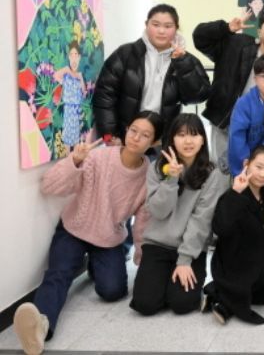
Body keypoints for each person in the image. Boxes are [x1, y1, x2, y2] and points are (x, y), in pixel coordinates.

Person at [13, 112, 163, 355]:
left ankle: (95, 264)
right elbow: (49, 186)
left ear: (154, 142)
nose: (136, 138)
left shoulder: (149, 177)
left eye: (145, 135)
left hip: (108, 238)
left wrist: (141, 255)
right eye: (134, 130)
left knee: (113, 291)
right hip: (74, 228)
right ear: (126, 129)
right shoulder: (98, 156)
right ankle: (41, 327)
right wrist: (74, 161)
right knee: (58, 274)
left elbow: (143, 222)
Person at [130, 113, 226, 316]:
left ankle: (177, 284)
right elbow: (158, 211)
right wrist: (171, 179)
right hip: (157, 244)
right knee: (145, 304)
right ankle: (161, 282)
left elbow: (201, 220)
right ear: (172, 139)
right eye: (181, 135)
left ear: (203, 139)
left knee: (182, 304)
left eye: (194, 134)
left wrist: (184, 260)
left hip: (191, 249)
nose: (188, 141)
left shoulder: (212, 173)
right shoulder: (157, 168)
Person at [192, 8, 264, 174]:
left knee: (254, 176)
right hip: (226, 122)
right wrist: (226, 28)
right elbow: (199, 38)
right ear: (259, 31)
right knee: (223, 174)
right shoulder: (238, 45)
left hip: (261, 133)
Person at [93, 4, 210, 144]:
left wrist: (182, 63)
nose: (161, 31)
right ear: (146, 25)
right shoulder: (125, 54)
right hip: (127, 138)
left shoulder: (186, 60)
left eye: (168, 26)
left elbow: (197, 96)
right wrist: (109, 134)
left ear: (176, 28)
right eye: (155, 25)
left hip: (162, 140)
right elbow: (105, 95)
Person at [203, 146, 264, 325]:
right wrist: (236, 193)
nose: (263, 174)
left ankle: (219, 292)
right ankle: (227, 301)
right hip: (233, 261)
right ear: (246, 164)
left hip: (258, 260)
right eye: (259, 167)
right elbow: (220, 228)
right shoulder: (232, 194)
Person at [54, 41, 86, 152]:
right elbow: (56, 75)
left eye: (76, 55)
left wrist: (80, 78)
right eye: (71, 55)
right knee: (67, 144)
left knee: (76, 143)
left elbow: (84, 92)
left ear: (79, 57)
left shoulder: (80, 76)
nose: (73, 58)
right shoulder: (66, 75)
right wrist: (66, 70)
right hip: (68, 113)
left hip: (76, 114)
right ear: (69, 57)